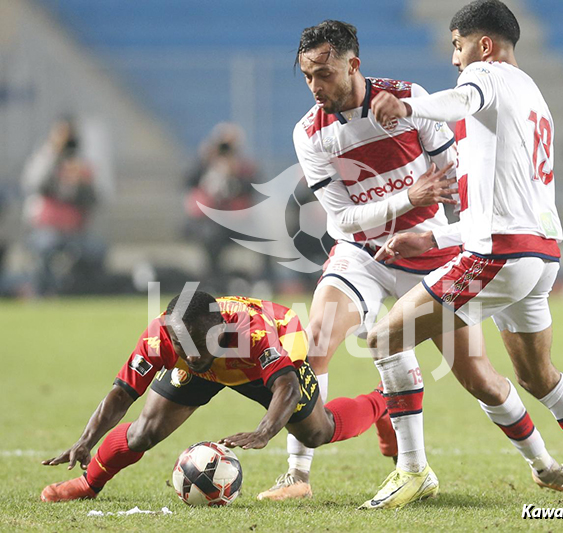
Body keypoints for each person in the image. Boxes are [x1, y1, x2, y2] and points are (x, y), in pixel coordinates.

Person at [258, 19, 563, 502]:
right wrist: (407, 196)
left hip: (430, 249)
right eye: (307, 75)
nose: (315, 87)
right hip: (364, 252)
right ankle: (298, 475)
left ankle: (543, 464)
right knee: (317, 339)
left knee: (479, 377)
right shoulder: (310, 133)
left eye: (324, 74)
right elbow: (341, 221)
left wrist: (452, 222)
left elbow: (457, 171)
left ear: (353, 65)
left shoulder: (406, 100)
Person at [366, 0, 563, 508]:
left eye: (457, 45)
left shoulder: (486, 75)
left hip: (498, 259)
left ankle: (412, 470)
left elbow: (459, 98)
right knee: (538, 377)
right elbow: (504, 202)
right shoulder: (534, 95)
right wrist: (436, 239)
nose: (454, 58)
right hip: (539, 257)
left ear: (483, 44)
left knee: (383, 339)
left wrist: (407, 107)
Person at [40, 290, 390, 502]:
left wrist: (264, 430)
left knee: (317, 432)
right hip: (209, 371)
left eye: (198, 341)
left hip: (266, 360)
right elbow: (121, 393)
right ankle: (88, 484)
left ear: (220, 328)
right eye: (181, 344)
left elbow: (287, 386)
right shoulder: (160, 337)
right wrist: (86, 439)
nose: (190, 352)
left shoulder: (252, 330)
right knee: (143, 431)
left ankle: (382, 402)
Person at [184, 123, 273, 291]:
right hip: (210, 223)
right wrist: (207, 162)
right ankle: (213, 281)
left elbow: (255, 188)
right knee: (211, 239)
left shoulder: (243, 167)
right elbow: (189, 182)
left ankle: (264, 281)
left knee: (264, 239)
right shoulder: (204, 165)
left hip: (238, 221)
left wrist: (235, 172)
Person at [22, 117, 105, 296]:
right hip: (46, 229)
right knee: (45, 248)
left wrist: (81, 182)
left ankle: (85, 293)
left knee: (96, 249)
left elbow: (93, 199)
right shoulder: (43, 159)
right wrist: (54, 156)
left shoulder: (81, 164)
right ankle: (43, 293)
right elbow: (36, 185)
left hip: (75, 232)